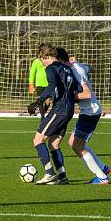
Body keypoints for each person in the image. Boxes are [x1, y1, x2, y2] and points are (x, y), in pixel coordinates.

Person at [56, 47, 110, 184]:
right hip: (90, 111)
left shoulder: (74, 71)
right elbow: (92, 68)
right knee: (73, 142)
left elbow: (87, 94)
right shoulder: (76, 66)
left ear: (61, 60)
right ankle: (103, 168)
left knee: (77, 146)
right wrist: (79, 63)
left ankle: (102, 177)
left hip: (90, 112)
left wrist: (68, 96)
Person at [28, 44, 81, 185]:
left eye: (42, 59)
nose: (42, 63)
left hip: (59, 110)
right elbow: (78, 88)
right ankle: (62, 176)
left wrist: (37, 102)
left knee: (38, 140)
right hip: (69, 110)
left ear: (47, 57)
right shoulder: (68, 69)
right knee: (53, 143)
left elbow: (51, 86)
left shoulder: (51, 68)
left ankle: (49, 173)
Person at [28, 53, 49, 120]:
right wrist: (31, 84)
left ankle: (34, 106)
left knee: (48, 102)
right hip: (39, 84)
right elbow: (32, 73)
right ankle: (42, 117)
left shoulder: (48, 61)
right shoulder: (36, 61)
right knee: (41, 101)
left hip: (49, 84)